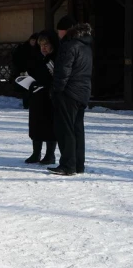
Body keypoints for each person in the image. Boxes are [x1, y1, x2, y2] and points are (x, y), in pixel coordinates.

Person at [49, 23, 93, 176]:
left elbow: (63, 71)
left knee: (65, 129)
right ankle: (78, 164)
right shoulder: (86, 46)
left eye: (59, 30)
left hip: (68, 93)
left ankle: (68, 165)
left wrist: (56, 90)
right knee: (77, 129)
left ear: (66, 31)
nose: (58, 33)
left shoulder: (69, 46)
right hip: (82, 92)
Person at [23, 30, 59, 165]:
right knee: (35, 124)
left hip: (51, 98)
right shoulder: (35, 57)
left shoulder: (57, 58)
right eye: (41, 45)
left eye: (46, 45)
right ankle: (36, 153)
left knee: (50, 125)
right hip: (36, 96)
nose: (43, 48)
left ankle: (50, 155)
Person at [12, 33, 39, 109]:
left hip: (34, 72)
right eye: (32, 40)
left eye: (35, 40)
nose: (33, 42)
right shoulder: (23, 48)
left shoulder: (38, 49)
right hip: (24, 71)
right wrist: (21, 70)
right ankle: (26, 104)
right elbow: (17, 60)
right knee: (26, 89)